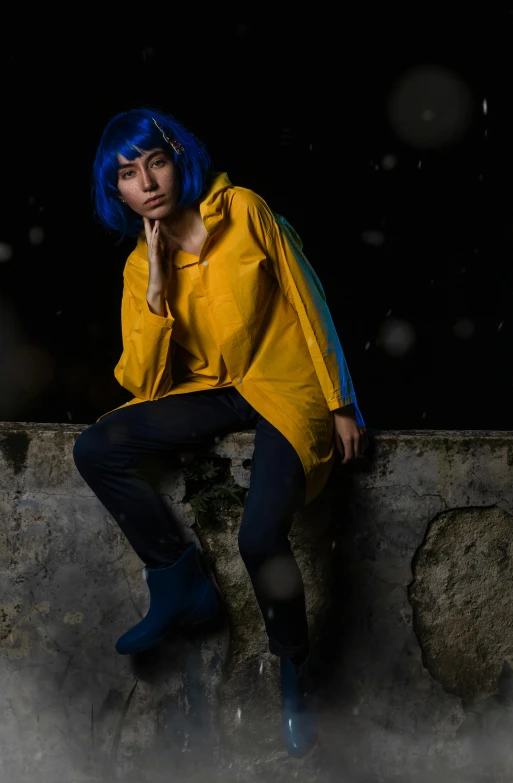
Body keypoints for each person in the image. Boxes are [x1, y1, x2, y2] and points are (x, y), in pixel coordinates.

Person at [73, 106, 368, 759]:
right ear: (115, 189)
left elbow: (306, 296)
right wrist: (154, 279)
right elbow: (144, 383)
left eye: (155, 161)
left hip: (285, 385)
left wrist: (341, 399)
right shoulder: (136, 266)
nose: (147, 181)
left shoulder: (243, 209)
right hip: (214, 390)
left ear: (178, 159)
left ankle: (294, 666)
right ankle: (178, 580)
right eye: (128, 172)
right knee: (97, 446)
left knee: (260, 534)